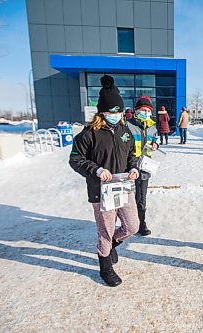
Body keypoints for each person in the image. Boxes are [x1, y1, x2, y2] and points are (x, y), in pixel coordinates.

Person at [69, 75, 140, 287]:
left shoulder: (124, 130)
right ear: (102, 112)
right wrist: (97, 170)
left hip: (124, 187)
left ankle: (112, 247)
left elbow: (131, 155)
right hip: (102, 191)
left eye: (118, 112)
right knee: (105, 231)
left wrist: (134, 167)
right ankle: (105, 266)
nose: (116, 116)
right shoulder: (89, 134)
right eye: (111, 112)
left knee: (132, 226)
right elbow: (75, 159)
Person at [126, 96, 159, 236]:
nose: (145, 112)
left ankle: (141, 223)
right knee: (129, 198)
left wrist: (155, 144)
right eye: (142, 110)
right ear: (136, 111)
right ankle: (130, 223)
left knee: (142, 198)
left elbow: (154, 139)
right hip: (129, 167)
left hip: (145, 167)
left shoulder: (152, 126)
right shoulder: (128, 125)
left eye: (148, 110)